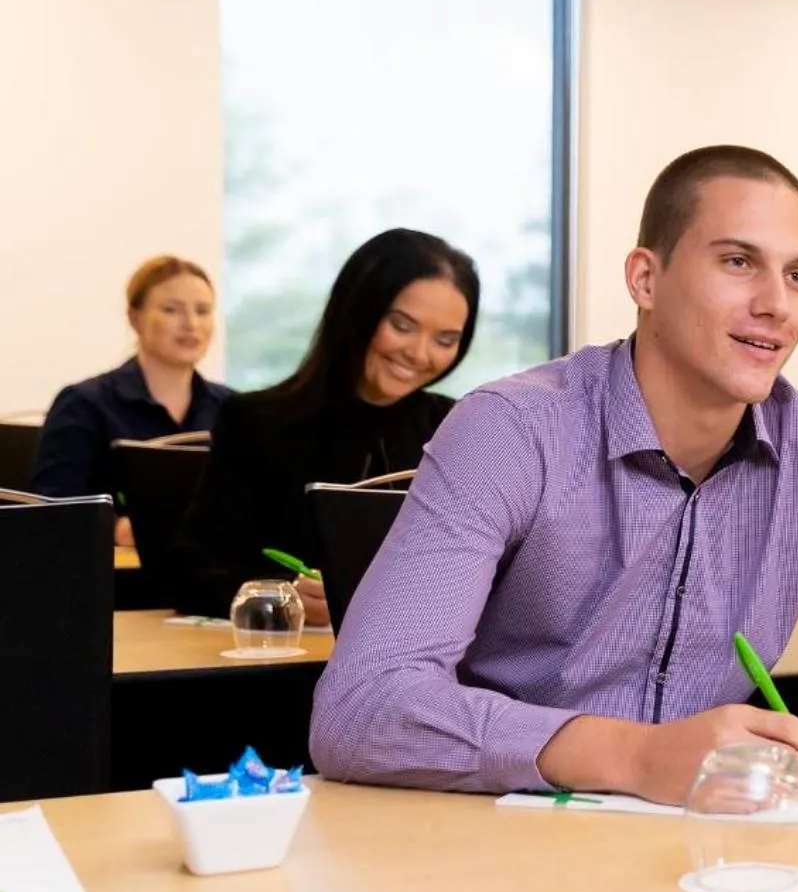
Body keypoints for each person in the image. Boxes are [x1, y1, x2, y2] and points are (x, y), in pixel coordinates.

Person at [308, 146, 798, 803]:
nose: (776, 304)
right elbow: (362, 710)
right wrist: (636, 755)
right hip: (505, 839)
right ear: (646, 279)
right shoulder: (512, 428)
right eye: (738, 262)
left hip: (719, 850)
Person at [167, 228, 477, 624]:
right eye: (401, 326)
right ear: (358, 310)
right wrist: (287, 596)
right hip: (286, 670)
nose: (419, 354)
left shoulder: (458, 429)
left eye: (445, 339)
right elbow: (190, 571)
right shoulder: (256, 422)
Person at [29, 256, 233, 545]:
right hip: (118, 579)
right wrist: (115, 529)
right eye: (171, 310)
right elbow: (52, 506)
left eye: (203, 311)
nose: (191, 324)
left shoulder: (231, 409)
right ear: (134, 317)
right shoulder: (84, 404)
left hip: (213, 576)